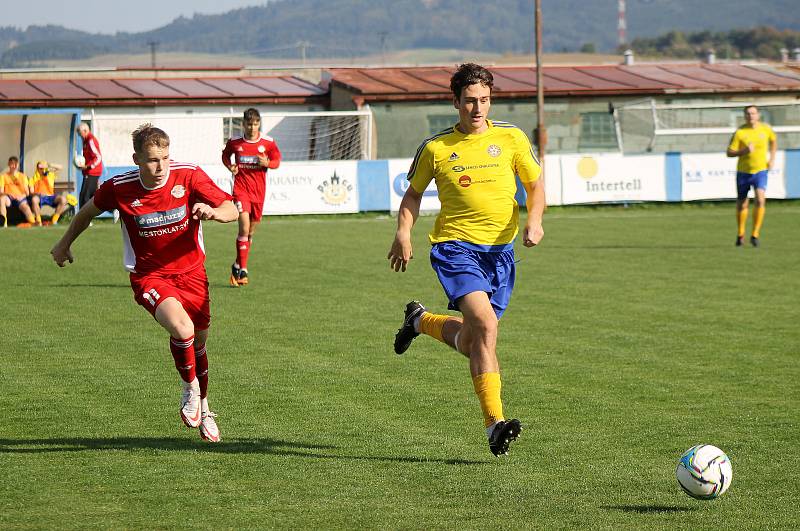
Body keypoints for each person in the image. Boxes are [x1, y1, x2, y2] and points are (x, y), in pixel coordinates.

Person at [387, 63, 545, 457]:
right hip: (454, 249)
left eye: (485, 101)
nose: (478, 109)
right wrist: (403, 233)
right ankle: (494, 424)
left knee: (474, 340)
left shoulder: (511, 138)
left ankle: (419, 321)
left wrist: (535, 221)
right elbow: (413, 195)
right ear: (455, 101)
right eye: (471, 101)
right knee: (487, 327)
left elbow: (535, 185)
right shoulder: (436, 148)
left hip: (501, 255)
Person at [51, 124, 238, 442]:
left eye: (165, 157)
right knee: (183, 330)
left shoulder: (188, 176)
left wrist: (216, 212)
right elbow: (85, 213)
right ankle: (190, 389)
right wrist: (64, 243)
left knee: (199, 344)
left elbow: (232, 207)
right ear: (136, 158)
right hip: (150, 276)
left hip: (193, 274)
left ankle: (205, 408)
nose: (161, 166)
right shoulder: (119, 188)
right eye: (152, 159)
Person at [221, 108, 281, 286]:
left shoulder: (268, 143)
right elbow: (225, 155)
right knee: (244, 228)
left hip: (258, 193)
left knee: (251, 232)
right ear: (243, 124)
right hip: (241, 190)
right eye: (249, 123)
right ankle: (244, 270)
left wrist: (268, 163)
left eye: (255, 124)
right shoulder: (235, 142)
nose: (252, 127)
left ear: (259, 124)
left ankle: (237, 263)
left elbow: (277, 160)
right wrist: (230, 166)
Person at [726, 105, 776, 247]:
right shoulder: (740, 132)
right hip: (743, 172)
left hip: (760, 171)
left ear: (758, 115)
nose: (751, 116)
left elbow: (773, 142)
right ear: (744, 116)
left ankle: (755, 235)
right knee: (742, 203)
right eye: (748, 113)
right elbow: (729, 152)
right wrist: (743, 151)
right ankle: (740, 233)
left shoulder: (765, 129)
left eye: (753, 113)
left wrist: (772, 159)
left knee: (760, 199)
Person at [0, 156, 36, 227]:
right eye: (12, 164)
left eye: (15, 164)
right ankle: (4, 223)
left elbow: (27, 192)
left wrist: (21, 196)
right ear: (8, 164)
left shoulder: (23, 176)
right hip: (8, 198)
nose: (13, 166)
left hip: (20, 198)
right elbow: (1, 191)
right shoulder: (3, 176)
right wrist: (9, 194)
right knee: (1, 199)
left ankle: (33, 223)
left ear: (18, 165)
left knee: (25, 207)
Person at [30, 161, 69, 225]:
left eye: (43, 168)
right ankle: (38, 221)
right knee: (34, 199)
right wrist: (37, 194)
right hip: (39, 196)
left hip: (51, 196)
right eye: (40, 168)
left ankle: (54, 220)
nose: (42, 170)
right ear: (37, 169)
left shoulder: (50, 175)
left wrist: (49, 165)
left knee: (63, 200)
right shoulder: (33, 178)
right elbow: (31, 191)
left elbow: (60, 168)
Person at [76, 122, 104, 209]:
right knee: (92, 195)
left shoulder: (91, 140)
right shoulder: (86, 141)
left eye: (81, 134)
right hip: (88, 172)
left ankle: (84, 219)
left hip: (93, 172)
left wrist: (88, 166)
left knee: (85, 196)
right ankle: (112, 209)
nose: (81, 137)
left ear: (85, 130)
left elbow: (98, 157)